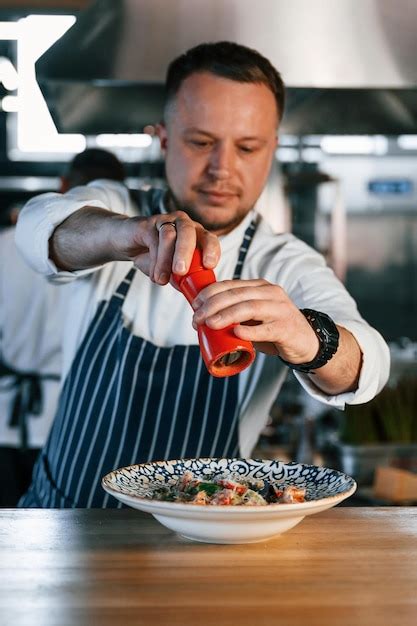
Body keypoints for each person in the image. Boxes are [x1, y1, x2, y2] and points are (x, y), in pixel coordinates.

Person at [15, 41, 390, 509]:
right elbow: (39, 229)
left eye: (247, 147)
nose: (222, 169)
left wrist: (308, 338)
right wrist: (122, 233)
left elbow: (366, 365)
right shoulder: (113, 209)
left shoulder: (284, 263)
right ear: (165, 138)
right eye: (201, 142)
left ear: (271, 150)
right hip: (63, 529)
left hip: (201, 548)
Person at [0, 148, 126, 506]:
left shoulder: (4, 246)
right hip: (72, 427)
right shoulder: (121, 265)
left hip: (7, 415)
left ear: (63, 187)